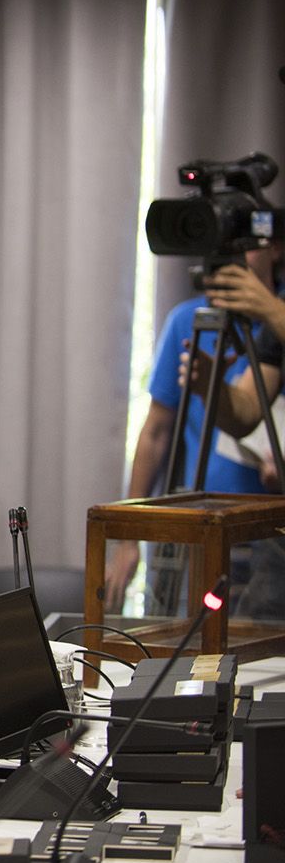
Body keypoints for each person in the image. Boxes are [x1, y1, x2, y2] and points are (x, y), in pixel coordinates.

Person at [108, 244, 284, 610]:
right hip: (206, 527)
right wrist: (212, 387)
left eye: (245, 245)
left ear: (275, 246)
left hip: (266, 529)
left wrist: (268, 308)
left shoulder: (274, 317)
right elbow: (246, 411)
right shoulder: (188, 320)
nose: (234, 258)